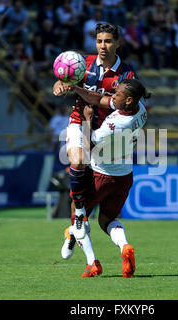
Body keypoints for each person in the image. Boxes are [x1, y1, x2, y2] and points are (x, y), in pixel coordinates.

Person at [52, 23, 135, 241]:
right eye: (99, 41)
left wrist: (77, 89)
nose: (103, 46)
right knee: (78, 161)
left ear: (117, 43)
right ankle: (79, 213)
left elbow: (108, 102)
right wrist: (59, 85)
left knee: (99, 187)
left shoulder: (126, 74)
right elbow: (63, 79)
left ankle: (83, 237)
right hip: (79, 122)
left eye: (108, 41)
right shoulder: (84, 63)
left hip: (106, 134)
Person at [62, 79, 149, 278]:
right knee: (107, 220)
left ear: (127, 100)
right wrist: (77, 89)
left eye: (116, 94)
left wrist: (86, 119)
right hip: (124, 175)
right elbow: (105, 100)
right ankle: (124, 246)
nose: (112, 96)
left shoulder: (114, 124)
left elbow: (87, 145)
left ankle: (91, 262)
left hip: (101, 175)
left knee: (78, 214)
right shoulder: (141, 109)